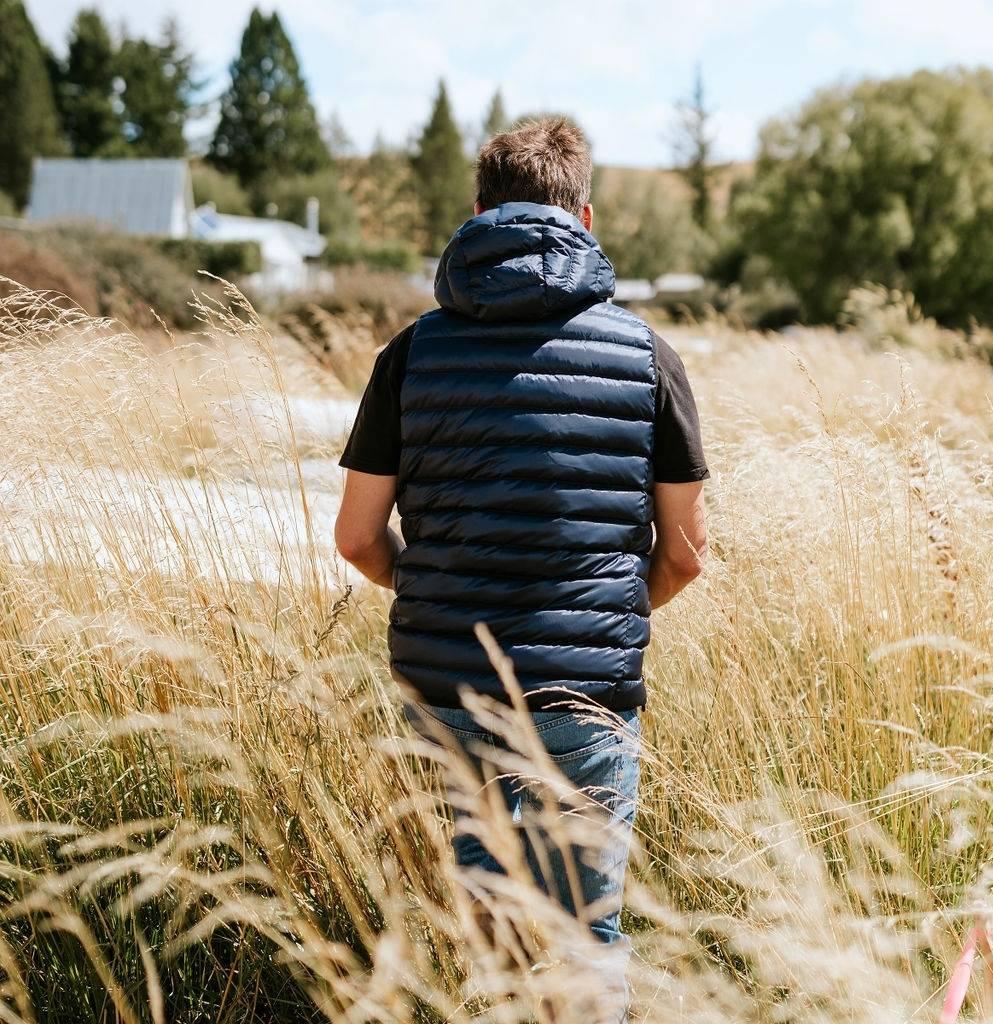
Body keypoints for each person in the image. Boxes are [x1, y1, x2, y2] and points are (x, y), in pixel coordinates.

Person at [334, 116, 708, 1020]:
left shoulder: (412, 354)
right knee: (587, 939)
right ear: (584, 216)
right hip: (587, 697)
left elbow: (355, 539)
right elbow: (686, 554)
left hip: (451, 690)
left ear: (477, 213)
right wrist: (614, 602)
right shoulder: (646, 356)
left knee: (487, 931)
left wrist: (432, 586)